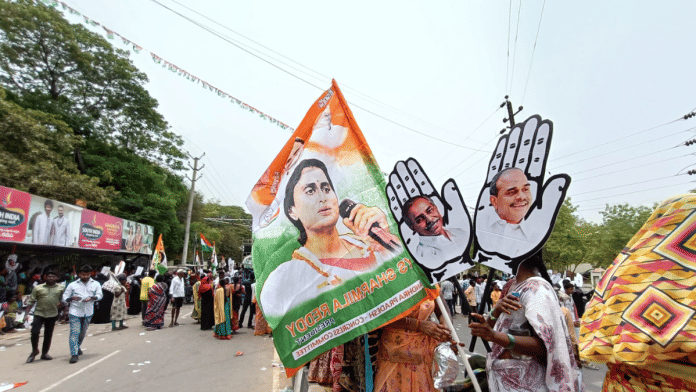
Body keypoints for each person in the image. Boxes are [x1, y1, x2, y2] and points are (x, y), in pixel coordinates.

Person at [260, 158, 400, 317]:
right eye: (310, 191)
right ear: (292, 210)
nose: (323, 197)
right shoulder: (286, 278)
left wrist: (384, 238)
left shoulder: (369, 244)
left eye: (326, 188)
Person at [468, 252, 582, 392]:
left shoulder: (538, 291)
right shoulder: (514, 285)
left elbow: (546, 347)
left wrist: (494, 336)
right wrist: (495, 312)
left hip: (524, 383)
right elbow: (492, 329)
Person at [374, 299, 458, 392]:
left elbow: (443, 311)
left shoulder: (429, 285)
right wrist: (419, 325)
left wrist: (444, 331)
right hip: (394, 356)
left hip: (422, 358)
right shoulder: (385, 284)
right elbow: (378, 317)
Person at [403, 195, 469, 262]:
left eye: (429, 211)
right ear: (412, 228)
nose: (430, 219)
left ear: (436, 208)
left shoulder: (460, 233)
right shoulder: (424, 257)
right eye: (419, 220)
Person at [62, 265, 103, 364]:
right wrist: (72, 298)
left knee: (82, 333)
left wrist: (92, 298)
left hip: (88, 311)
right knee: (74, 332)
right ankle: (74, 354)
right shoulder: (72, 285)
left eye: (87, 274)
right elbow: (65, 297)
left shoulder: (96, 284)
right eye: (83, 274)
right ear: (79, 274)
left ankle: (77, 346)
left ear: (91, 274)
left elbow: (100, 295)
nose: (85, 276)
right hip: (75, 311)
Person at [24, 270, 63, 363]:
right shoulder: (38, 288)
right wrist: (26, 314)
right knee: (34, 332)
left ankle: (45, 353)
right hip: (39, 313)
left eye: (53, 277)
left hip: (52, 313)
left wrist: (61, 306)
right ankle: (34, 350)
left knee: (48, 334)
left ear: (57, 278)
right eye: (49, 276)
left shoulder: (61, 288)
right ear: (45, 277)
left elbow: (63, 299)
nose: (51, 278)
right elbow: (31, 301)